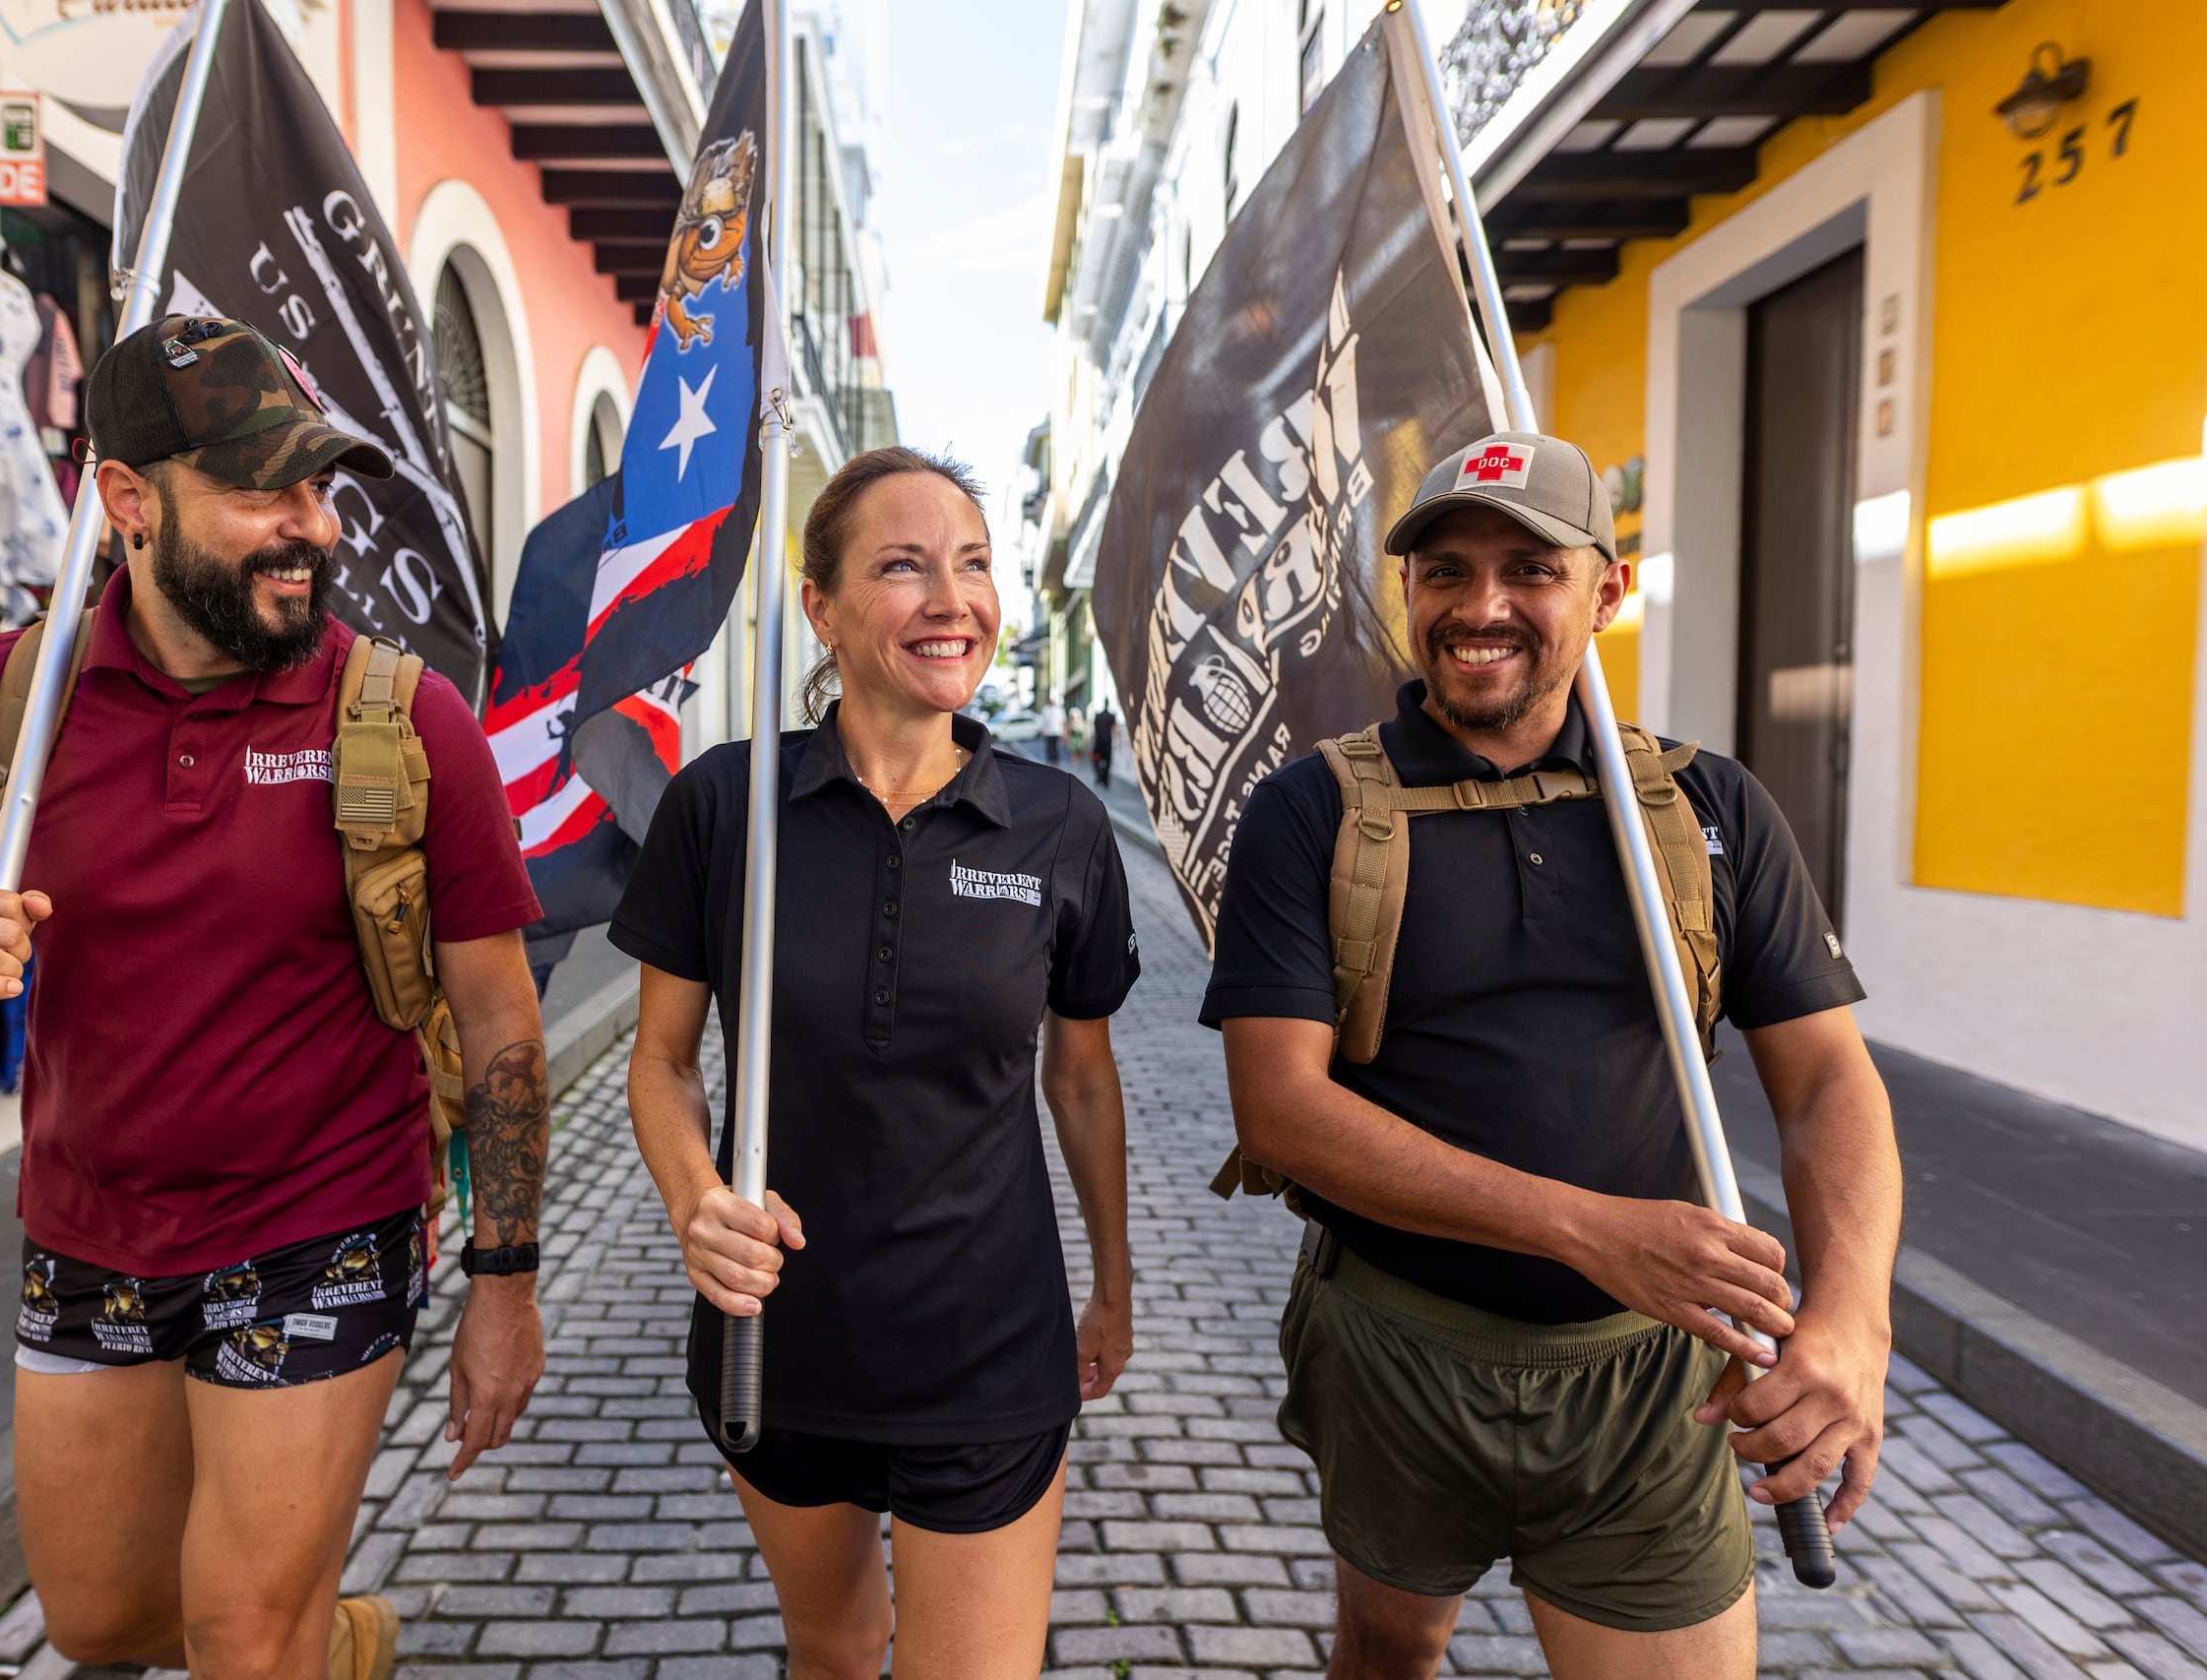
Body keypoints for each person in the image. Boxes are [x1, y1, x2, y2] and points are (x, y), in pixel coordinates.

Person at [0, 317, 552, 1680]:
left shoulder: (404, 719)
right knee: (98, 1620)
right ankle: (332, 1644)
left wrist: (503, 1284)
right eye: (257, 493)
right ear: (127, 500)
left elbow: (505, 1021)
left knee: (237, 1636)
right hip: (88, 1228)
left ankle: (284, 1637)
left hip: (322, 1225)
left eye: (316, 490)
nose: (309, 528)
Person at [1203, 431, 1900, 1680]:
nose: (1481, 607)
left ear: (1605, 590)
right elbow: (1280, 1115)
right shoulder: (1311, 810)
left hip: (1651, 1387)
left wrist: (1852, 1318)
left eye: (1529, 568)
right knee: (1388, 1653)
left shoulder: (1706, 807)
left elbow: (1827, 1081)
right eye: (1445, 571)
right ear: (1405, 591)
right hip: (1394, 1348)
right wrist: (1587, 1227)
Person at [611, 446, 1140, 1680]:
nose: (950, 600)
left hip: (989, 1351)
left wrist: (1110, 1283)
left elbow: (1081, 1079)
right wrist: (697, 1201)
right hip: (773, 1343)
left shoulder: (1061, 825)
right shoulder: (724, 809)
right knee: (836, 1651)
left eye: (971, 565)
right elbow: (661, 1064)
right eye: (902, 567)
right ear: (821, 607)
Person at [1090, 703, 1117, 790]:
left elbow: (1094, 728)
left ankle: (1100, 776)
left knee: (1096, 759)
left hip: (1098, 742)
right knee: (1107, 761)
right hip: (1107, 742)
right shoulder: (1111, 716)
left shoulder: (1098, 716)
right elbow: (1115, 729)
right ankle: (1105, 780)